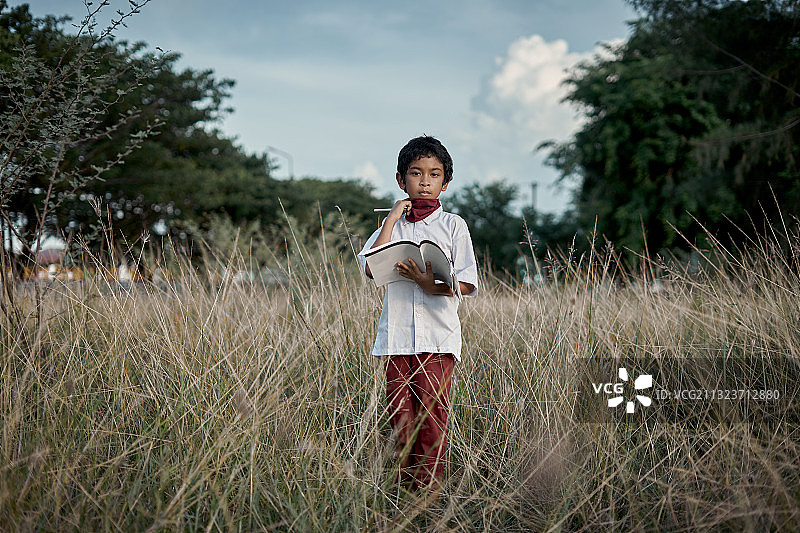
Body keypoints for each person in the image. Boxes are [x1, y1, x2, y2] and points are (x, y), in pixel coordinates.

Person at [357, 135, 479, 494]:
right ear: (400, 179)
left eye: (434, 174)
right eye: (415, 173)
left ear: (446, 181)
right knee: (401, 419)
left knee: (432, 418)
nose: (424, 181)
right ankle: (400, 492)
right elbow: (370, 269)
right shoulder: (389, 227)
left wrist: (433, 282)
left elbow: (469, 283)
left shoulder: (454, 226)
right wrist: (393, 219)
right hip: (395, 339)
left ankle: (428, 495)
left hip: (438, 339)